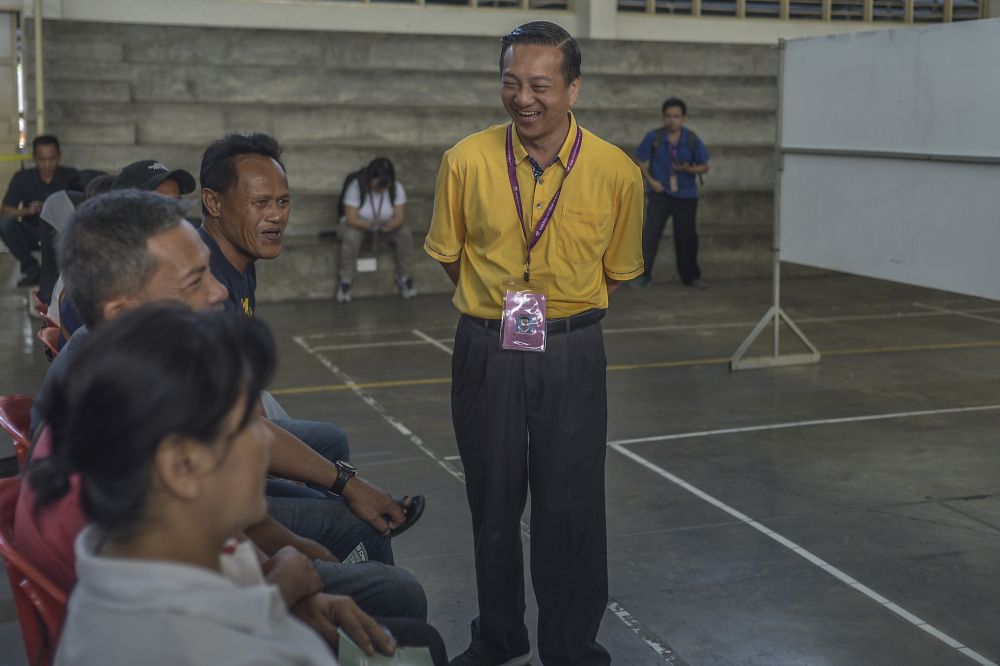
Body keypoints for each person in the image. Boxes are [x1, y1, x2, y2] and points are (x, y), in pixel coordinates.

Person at [17, 190, 427, 622]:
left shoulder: (128, 362)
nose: (218, 292)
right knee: (399, 593)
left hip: (185, 583)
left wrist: (292, 551)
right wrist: (289, 581)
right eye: (195, 281)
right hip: (158, 622)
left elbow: (216, 520)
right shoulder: (124, 425)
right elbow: (187, 605)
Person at [28, 304, 443, 665]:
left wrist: (282, 598)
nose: (263, 443)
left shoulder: (151, 537)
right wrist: (282, 595)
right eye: (242, 429)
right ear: (179, 466)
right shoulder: (197, 647)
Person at [424, 21, 644, 666]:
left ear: (573, 89)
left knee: (571, 507)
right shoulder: (465, 162)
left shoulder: (615, 172)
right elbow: (451, 256)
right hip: (487, 346)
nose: (524, 98)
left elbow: (615, 271)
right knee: (491, 502)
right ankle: (499, 638)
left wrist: (561, 312)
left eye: (540, 85)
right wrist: (497, 306)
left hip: (572, 350)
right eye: (511, 82)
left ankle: (571, 649)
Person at [197, 133, 424, 536]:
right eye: (260, 203)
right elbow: (242, 429)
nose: (276, 216)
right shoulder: (203, 286)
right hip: (207, 480)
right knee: (356, 529)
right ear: (213, 203)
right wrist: (346, 484)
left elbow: (247, 398)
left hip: (232, 436)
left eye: (283, 202)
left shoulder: (240, 262)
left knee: (328, 442)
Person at [634, 97, 710, 288]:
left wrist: (689, 169)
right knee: (650, 234)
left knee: (686, 237)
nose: (671, 120)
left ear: (683, 118)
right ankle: (642, 275)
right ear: (663, 117)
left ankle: (690, 277)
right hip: (659, 193)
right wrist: (651, 181)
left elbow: (704, 166)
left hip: (686, 195)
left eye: (676, 116)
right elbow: (639, 160)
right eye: (668, 116)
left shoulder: (691, 139)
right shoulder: (654, 137)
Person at [0, 135, 78, 287]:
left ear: (59, 156)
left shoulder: (71, 176)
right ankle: (31, 269)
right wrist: (27, 211)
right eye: (42, 159)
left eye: (52, 159)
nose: (47, 164)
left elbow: (83, 208)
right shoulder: (22, 178)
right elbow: (5, 211)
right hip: (32, 232)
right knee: (4, 224)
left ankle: (64, 272)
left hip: (59, 233)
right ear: (34, 158)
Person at [336, 157, 416, 303]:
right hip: (358, 226)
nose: (381, 188)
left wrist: (392, 224)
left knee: (404, 234)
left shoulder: (395, 188)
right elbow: (351, 218)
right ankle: (345, 280)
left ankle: (405, 277)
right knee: (351, 237)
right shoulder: (357, 186)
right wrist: (369, 225)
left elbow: (400, 216)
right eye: (379, 184)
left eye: (385, 184)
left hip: (383, 228)